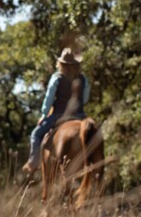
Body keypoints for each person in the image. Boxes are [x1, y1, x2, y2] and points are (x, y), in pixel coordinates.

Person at [22, 47, 90, 175]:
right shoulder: (83, 78)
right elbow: (85, 98)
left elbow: (49, 98)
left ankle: (33, 163)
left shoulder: (57, 78)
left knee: (36, 134)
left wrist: (43, 114)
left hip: (59, 115)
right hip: (80, 116)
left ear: (61, 64)